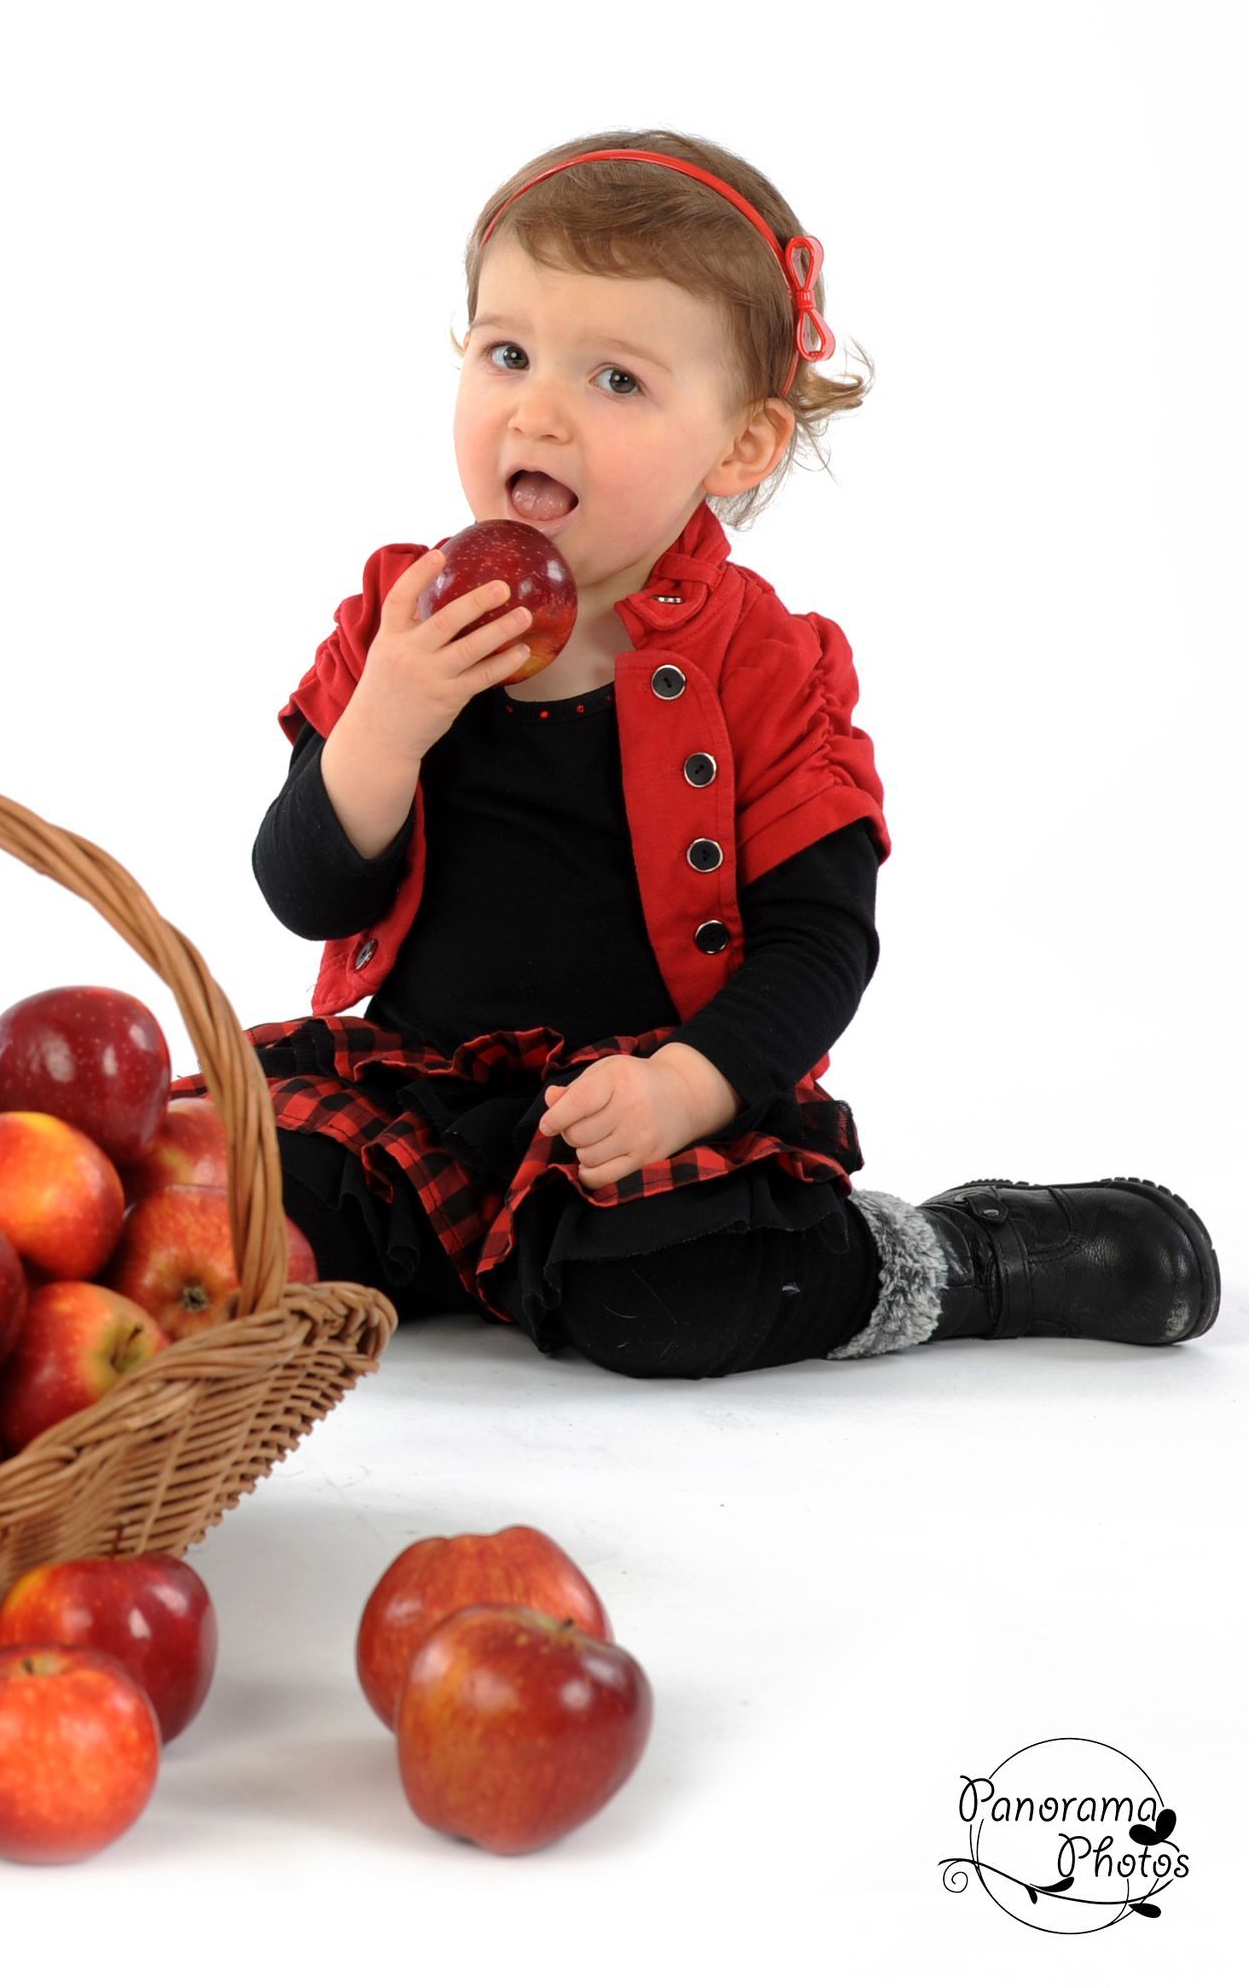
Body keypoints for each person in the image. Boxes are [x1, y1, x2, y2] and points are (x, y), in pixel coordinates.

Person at [175, 127, 1220, 1378]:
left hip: (653, 1106)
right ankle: (33, 1192)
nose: (538, 411)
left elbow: (821, 942)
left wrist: (690, 1086)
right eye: (507, 354)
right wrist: (386, 722)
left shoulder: (765, 665)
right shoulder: (400, 621)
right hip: (416, 1091)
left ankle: (952, 1260)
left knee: (666, 1297)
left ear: (740, 446)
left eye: (616, 380)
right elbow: (306, 894)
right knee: (221, 1200)